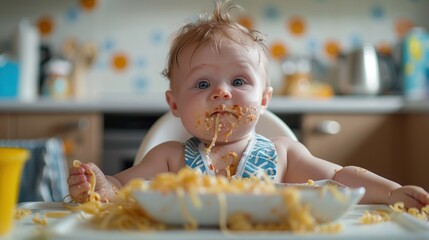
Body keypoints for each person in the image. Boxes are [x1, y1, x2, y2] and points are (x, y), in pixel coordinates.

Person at [68, 0, 429, 209]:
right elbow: (118, 189)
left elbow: (340, 177)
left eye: (238, 81)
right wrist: (97, 184)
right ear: (174, 105)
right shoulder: (170, 158)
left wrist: (393, 192)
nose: (222, 93)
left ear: (265, 99)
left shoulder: (284, 154)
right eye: (203, 83)